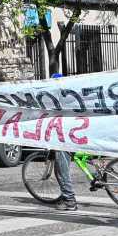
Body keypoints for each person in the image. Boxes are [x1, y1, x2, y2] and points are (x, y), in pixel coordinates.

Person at [49, 73, 77, 211]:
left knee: (62, 171)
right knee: (59, 170)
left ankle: (69, 200)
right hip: (69, 137)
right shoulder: (69, 99)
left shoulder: (58, 101)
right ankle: (64, 193)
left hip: (63, 140)